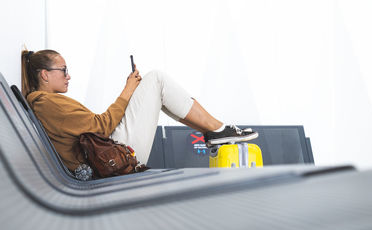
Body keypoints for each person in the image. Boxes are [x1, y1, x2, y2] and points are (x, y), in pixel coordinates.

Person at [21, 49, 258, 179]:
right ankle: (217, 130)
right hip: (112, 160)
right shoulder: (47, 104)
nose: (68, 75)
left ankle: (214, 131)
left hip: (106, 155)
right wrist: (128, 89)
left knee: (157, 88)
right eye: (63, 70)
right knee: (157, 79)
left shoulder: (48, 103)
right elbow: (101, 127)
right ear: (44, 74)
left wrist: (131, 91)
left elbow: (96, 128)